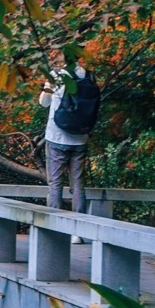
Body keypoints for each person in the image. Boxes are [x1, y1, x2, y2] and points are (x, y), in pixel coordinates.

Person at [40, 58, 99, 211]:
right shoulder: (89, 76)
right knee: (78, 185)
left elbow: (43, 102)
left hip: (57, 136)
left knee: (55, 184)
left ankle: (54, 228)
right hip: (80, 137)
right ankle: (78, 232)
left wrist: (49, 85)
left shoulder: (56, 75)